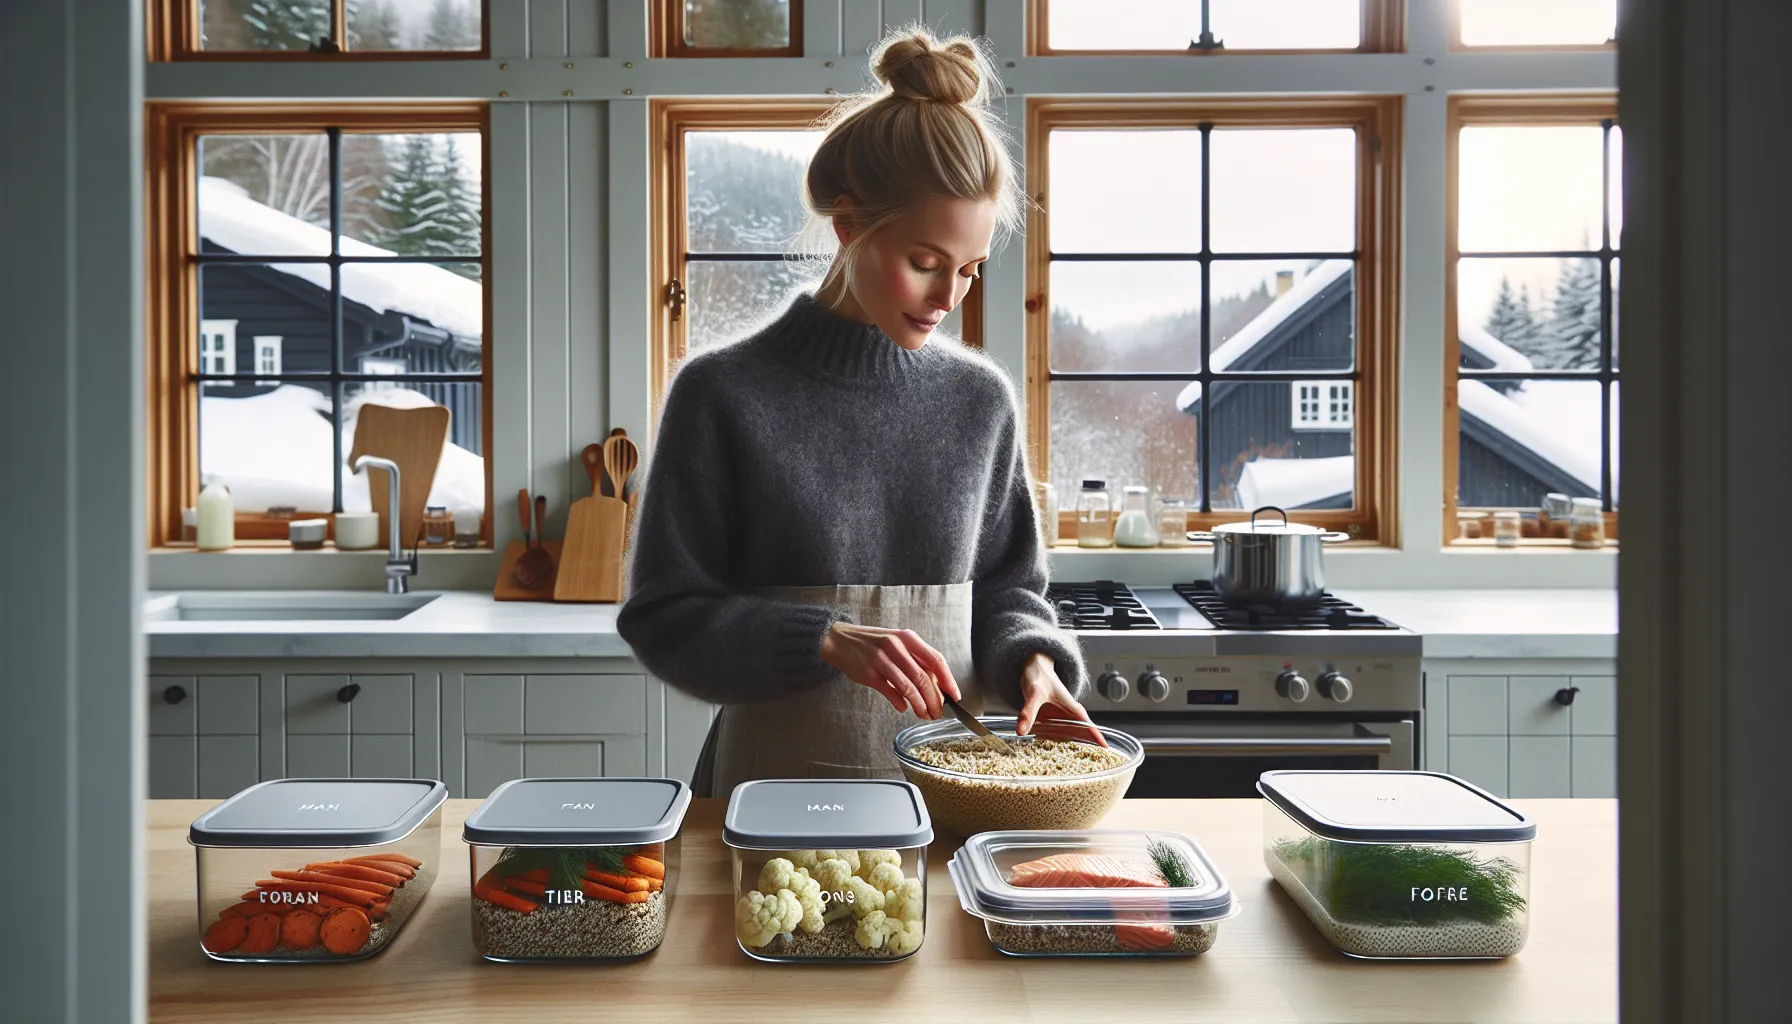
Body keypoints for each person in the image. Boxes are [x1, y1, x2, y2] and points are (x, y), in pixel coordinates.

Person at [617, 26, 1099, 798]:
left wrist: (1032, 659)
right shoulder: (722, 395)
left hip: (951, 808)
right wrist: (824, 641)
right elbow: (665, 616)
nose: (949, 298)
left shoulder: (980, 402)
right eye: (925, 263)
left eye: (970, 270)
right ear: (848, 226)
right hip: (770, 807)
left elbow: (1011, 591)